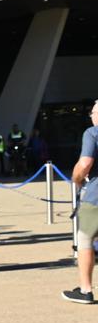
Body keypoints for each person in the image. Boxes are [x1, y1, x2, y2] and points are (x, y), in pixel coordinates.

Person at [62, 99, 98, 304]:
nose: (91, 116)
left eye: (93, 112)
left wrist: (76, 179)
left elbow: (85, 164)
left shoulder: (92, 133)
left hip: (96, 197)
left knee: (85, 240)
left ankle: (85, 290)